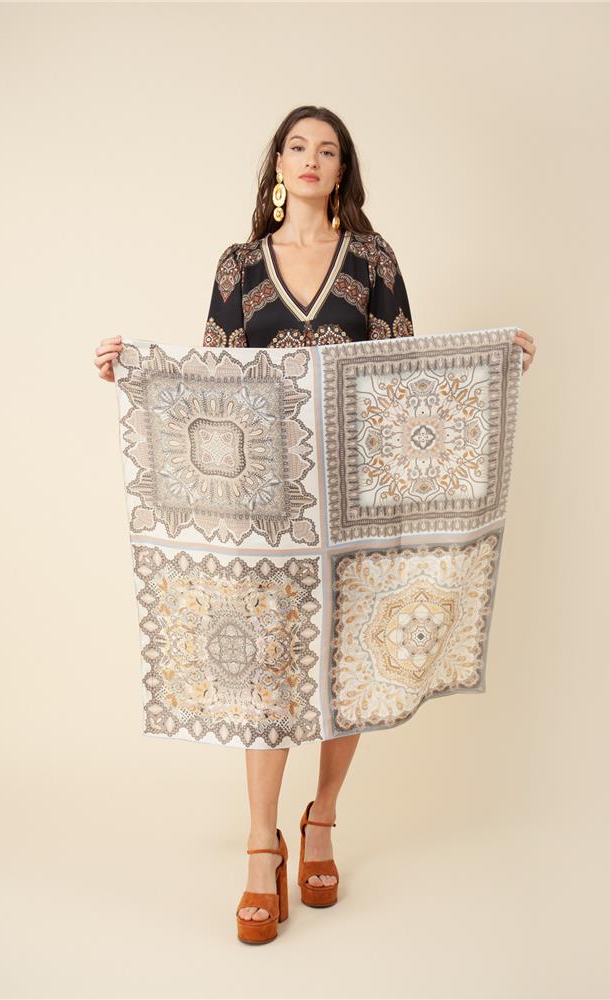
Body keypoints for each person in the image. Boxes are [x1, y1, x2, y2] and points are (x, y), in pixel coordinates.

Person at [93, 106, 537, 944]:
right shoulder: (237, 266)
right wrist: (131, 374)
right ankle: (262, 845)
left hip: (356, 502)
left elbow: (407, 370)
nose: (310, 159)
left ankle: (322, 816)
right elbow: (208, 375)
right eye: (298, 147)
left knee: (352, 664)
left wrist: (493, 363)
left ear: (342, 172)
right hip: (264, 509)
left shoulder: (372, 260)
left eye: (327, 151)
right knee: (267, 671)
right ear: (277, 164)